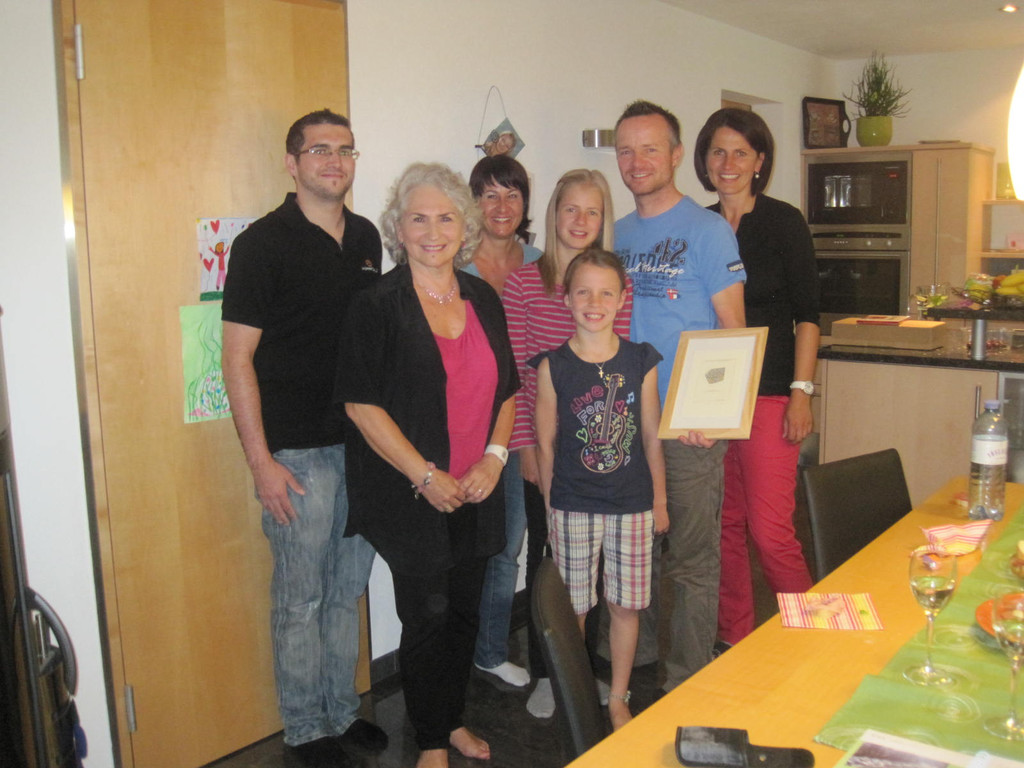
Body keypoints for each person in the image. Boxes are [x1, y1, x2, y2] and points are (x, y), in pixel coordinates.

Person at [221, 109, 387, 767]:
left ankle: (342, 712)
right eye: (319, 150)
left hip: (363, 448)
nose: (334, 161)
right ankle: (304, 729)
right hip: (296, 456)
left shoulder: (367, 238)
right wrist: (260, 462)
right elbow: (237, 360)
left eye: (345, 149)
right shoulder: (262, 244)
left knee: (346, 591)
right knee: (301, 598)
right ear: (292, 164)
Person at [338, 163, 518, 768]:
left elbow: (507, 390)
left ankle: (452, 718)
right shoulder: (376, 304)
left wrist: (494, 458)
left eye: (445, 218)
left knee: (463, 612)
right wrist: (423, 474)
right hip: (411, 494)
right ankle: (431, 741)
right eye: (418, 218)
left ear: (464, 226)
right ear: (399, 228)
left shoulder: (482, 298)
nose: (433, 232)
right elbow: (361, 405)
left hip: (476, 487)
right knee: (425, 618)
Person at [613, 100, 746, 694]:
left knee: (691, 560)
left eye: (649, 148)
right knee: (630, 554)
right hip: (622, 424)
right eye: (625, 150)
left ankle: (687, 680)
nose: (636, 161)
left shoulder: (708, 231)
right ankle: (632, 663)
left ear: (673, 155)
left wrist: (712, 417)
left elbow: (734, 334)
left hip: (686, 426)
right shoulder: (615, 234)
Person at [501, 168, 632, 718]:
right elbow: (513, 374)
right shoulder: (524, 284)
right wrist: (526, 448)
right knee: (550, 560)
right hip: (545, 446)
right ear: (554, 214)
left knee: (595, 563)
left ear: (604, 220)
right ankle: (548, 672)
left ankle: (582, 669)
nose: (580, 220)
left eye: (592, 211)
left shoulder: (612, 282)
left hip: (600, 448)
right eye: (570, 209)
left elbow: (623, 366)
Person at [693, 108, 819, 647]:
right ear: (704, 159)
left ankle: (811, 638)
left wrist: (801, 392)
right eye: (718, 151)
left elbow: (807, 315)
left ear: (759, 161)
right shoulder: (698, 225)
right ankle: (734, 639)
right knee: (725, 529)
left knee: (771, 533)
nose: (729, 163)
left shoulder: (784, 222)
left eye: (741, 152)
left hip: (770, 394)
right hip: (712, 398)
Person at [533, 248, 667, 731]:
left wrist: (660, 500)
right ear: (567, 298)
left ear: (622, 299)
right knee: (574, 609)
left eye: (606, 293)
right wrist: (550, 506)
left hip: (632, 504)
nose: (595, 303)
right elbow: (545, 443)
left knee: (625, 605)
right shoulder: (553, 367)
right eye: (584, 292)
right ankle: (577, 696)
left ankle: (617, 696)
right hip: (573, 505)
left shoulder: (641, 360)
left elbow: (651, 436)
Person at [463, 155, 541, 689]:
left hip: (526, 424)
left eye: (511, 194)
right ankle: (463, 650)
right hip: (467, 422)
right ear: (474, 203)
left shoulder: (541, 263)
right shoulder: (453, 261)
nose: (501, 205)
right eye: (489, 194)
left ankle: (489, 650)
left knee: (509, 542)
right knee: (472, 545)